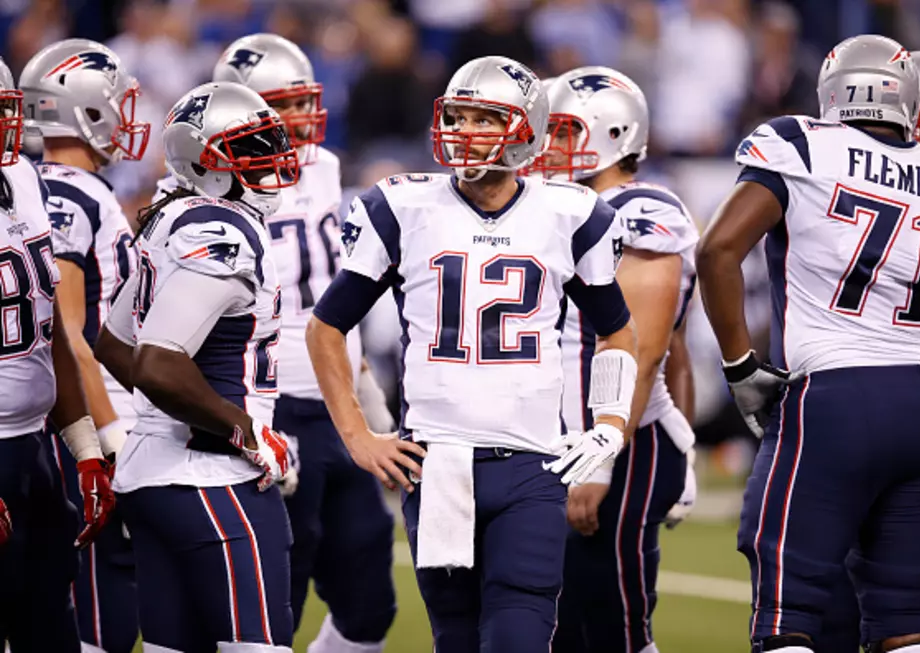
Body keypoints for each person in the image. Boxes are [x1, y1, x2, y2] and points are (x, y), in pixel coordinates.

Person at [306, 55, 637, 653]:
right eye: (457, 115)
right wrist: (356, 434)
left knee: (518, 636)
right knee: (455, 639)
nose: (465, 131)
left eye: (484, 118)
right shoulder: (402, 208)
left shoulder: (572, 215)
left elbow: (617, 330)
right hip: (437, 464)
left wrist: (610, 424)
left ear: (527, 128)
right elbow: (327, 326)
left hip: (534, 463)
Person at [696, 34, 920, 653]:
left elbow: (718, 251)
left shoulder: (800, 143)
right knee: (907, 624)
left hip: (832, 396)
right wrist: (915, 359)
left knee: (786, 614)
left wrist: (743, 368)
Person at [206, 34, 398, 651]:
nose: (297, 119)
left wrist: (370, 398)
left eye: (301, 103)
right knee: (271, 608)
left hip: (335, 400)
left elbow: (338, 297)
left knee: (369, 604)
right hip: (269, 402)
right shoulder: (213, 187)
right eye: (280, 106)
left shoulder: (323, 166)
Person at [93, 81, 295, 652]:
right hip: (211, 482)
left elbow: (114, 344)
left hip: (150, 479)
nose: (269, 159)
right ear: (206, 162)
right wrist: (244, 428)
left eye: (267, 142)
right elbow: (156, 364)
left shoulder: (175, 216)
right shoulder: (223, 229)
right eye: (249, 149)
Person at [528, 65, 699, 653]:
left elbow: (649, 348)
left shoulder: (643, 209)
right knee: (560, 624)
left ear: (616, 133)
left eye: (564, 131)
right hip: (561, 438)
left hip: (616, 447)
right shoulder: (549, 206)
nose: (546, 144)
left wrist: (598, 461)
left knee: (613, 625)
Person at [19, 38, 150, 653]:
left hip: (48, 418)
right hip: (74, 424)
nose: (125, 117)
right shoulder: (70, 192)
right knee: (94, 618)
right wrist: (107, 436)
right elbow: (64, 329)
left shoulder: (28, 184)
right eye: (115, 103)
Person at [0, 55, 115, 651]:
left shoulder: (21, 176)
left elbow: (50, 330)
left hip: (36, 449)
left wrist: (87, 450)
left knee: (51, 628)